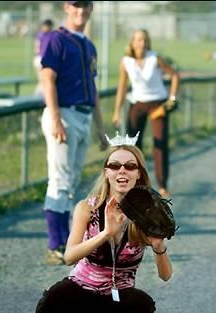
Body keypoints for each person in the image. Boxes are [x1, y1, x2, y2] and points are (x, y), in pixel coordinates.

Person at [17, 136, 173, 313]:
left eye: (130, 166)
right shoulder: (86, 208)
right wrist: (105, 234)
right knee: (51, 299)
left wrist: (159, 246)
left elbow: (166, 276)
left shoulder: (148, 215)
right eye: (115, 165)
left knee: (143, 304)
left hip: (118, 297)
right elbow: (69, 256)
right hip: (81, 290)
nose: (122, 170)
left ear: (139, 173)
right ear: (106, 172)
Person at [40, 1, 108, 265]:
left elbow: (93, 89)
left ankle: (67, 241)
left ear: (91, 8)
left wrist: (100, 128)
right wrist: (55, 118)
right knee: (59, 180)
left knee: (71, 182)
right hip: (64, 114)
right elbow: (48, 78)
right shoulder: (56, 39)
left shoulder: (89, 45)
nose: (81, 9)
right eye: (75, 4)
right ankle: (55, 244)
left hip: (83, 114)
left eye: (86, 4)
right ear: (67, 7)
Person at [112, 29, 180, 199]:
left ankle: (162, 185)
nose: (141, 43)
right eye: (138, 40)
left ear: (148, 42)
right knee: (134, 147)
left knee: (160, 144)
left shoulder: (154, 58)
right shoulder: (126, 62)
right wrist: (117, 111)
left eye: (144, 40)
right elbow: (122, 87)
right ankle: (137, 186)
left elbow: (175, 76)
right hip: (138, 103)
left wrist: (172, 99)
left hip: (157, 104)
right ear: (132, 42)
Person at [33, 19, 54, 96]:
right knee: (42, 79)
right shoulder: (41, 35)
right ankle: (37, 96)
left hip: (46, 59)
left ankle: (40, 95)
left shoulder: (52, 35)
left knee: (45, 79)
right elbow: (37, 46)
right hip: (40, 58)